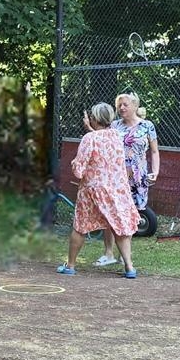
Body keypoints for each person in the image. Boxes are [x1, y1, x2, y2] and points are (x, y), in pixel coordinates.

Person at [58, 102, 139, 279]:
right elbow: (104, 142)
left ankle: (70, 266)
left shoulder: (89, 138)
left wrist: (75, 165)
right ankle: (129, 267)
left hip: (92, 190)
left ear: (94, 118)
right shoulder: (117, 135)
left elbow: (79, 170)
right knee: (120, 226)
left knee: (80, 226)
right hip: (117, 189)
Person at [98, 91, 159, 268]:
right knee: (111, 212)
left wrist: (155, 171)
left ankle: (124, 255)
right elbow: (102, 144)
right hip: (115, 176)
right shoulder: (114, 126)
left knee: (131, 214)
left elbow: (154, 151)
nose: (121, 108)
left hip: (138, 177)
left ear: (135, 106)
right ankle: (108, 253)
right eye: (119, 105)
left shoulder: (147, 126)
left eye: (125, 104)